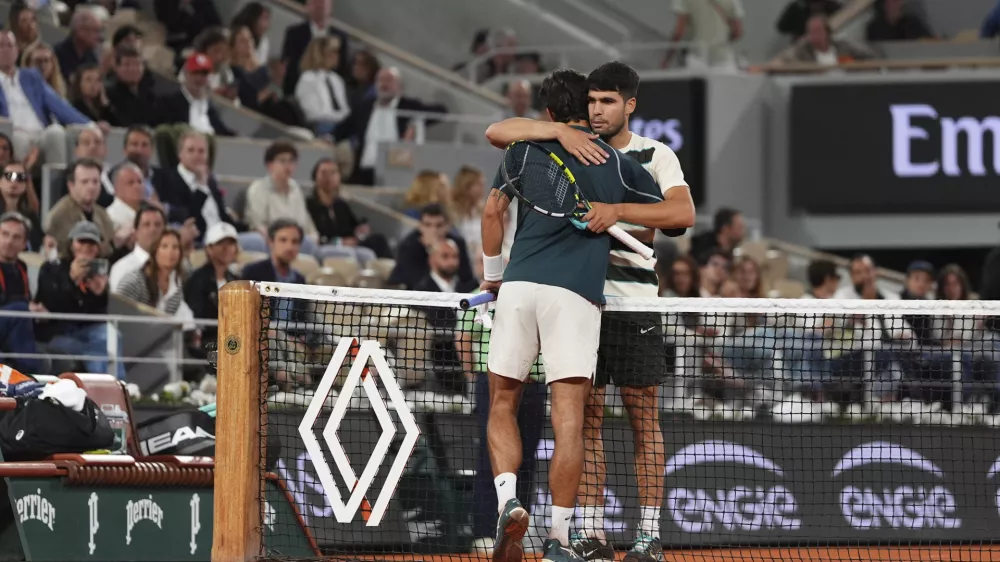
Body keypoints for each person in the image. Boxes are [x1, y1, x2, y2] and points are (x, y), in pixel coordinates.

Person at [483, 61, 696, 562]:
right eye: (593, 101)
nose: (599, 110)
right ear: (583, 106)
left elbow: (680, 215)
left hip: (629, 304)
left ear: (629, 104)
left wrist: (619, 212)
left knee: (641, 420)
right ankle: (585, 533)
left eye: (608, 101)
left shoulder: (650, 157)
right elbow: (499, 131)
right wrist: (558, 129)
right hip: (582, 299)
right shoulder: (570, 148)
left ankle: (646, 534)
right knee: (584, 420)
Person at [35, 220, 124, 379]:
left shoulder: (99, 271)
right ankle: (102, 391)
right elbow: (50, 305)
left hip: (87, 330)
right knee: (94, 351)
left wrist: (99, 294)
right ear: (71, 244)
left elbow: (98, 316)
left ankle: (118, 387)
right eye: (81, 242)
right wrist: (71, 280)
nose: (86, 247)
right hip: (58, 330)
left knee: (110, 336)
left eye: (92, 243)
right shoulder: (52, 268)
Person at [0, 31, 91, 168]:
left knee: (56, 132)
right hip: (13, 135)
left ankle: (56, 187)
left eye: (10, 46)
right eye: (1, 45)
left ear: (17, 51)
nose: (6, 50)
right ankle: (18, 185)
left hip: (40, 134)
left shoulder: (31, 77)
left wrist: (90, 125)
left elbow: (59, 105)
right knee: (18, 140)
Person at [305, 158, 388, 259]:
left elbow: (353, 228)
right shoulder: (309, 205)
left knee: (378, 240)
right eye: (324, 173)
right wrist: (340, 242)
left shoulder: (341, 205)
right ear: (315, 177)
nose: (329, 177)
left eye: (333, 173)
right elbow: (314, 235)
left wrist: (360, 230)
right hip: (327, 247)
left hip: (350, 245)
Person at [114, 229, 194, 328]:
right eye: (164, 246)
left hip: (160, 338)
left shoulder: (176, 284)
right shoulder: (134, 281)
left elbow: (168, 319)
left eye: (175, 247)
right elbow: (117, 311)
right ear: (155, 251)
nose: (170, 252)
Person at [45, 158, 122, 258]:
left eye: (95, 182)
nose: (91, 187)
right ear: (71, 185)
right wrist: (114, 242)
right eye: (84, 182)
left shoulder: (102, 214)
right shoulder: (59, 215)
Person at [388, 203, 474, 290]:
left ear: (447, 226)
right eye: (428, 225)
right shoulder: (409, 246)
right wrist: (433, 251)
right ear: (420, 226)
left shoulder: (456, 244)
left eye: (439, 225)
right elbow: (414, 282)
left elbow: (467, 278)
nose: (433, 230)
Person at [0, 211, 43, 373]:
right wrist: (25, 307)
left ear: (25, 243)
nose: (9, 241)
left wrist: (35, 309)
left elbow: (26, 299)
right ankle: (29, 374)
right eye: (5, 234)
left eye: (16, 237)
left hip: (13, 326)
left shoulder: (21, 267)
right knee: (20, 310)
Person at [184, 222, 239, 346]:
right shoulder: (197, 280)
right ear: (209, 249)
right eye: (220, 243)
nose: (226, 248)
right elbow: (197, 317)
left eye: (230, 243)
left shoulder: (236, 280)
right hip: (209, 343)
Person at [280, 0, 349, 95]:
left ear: (331, 5)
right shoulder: (294, 33)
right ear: (308, 5)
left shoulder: (341, 38)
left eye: (324, 1)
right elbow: (288, 64)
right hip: (297, 92)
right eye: (316, 1)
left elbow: (342, 71)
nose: (320, 5)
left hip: (327, 96)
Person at [295, 36, 350, 136]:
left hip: (340, 124)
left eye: (337, 52)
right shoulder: (308, 78)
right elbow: (313, 114)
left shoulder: (337, 79)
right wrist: (341, 118)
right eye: (332, 52)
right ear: (320, 54)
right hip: (320, 125)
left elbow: (344, 108)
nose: (336, 56)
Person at [109, 203, 166, 292]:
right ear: (136, 232)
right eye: (147, 225)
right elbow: (119, 304)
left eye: (158, 225)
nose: (153, 230)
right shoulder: (123, 269)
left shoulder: (172, 267)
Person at [0, 162, 41, 250]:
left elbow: (38, 245)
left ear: (26, 184)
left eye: (20, 178)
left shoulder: (30, 217)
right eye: (9, 176)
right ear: (0, 181)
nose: (14, 181)